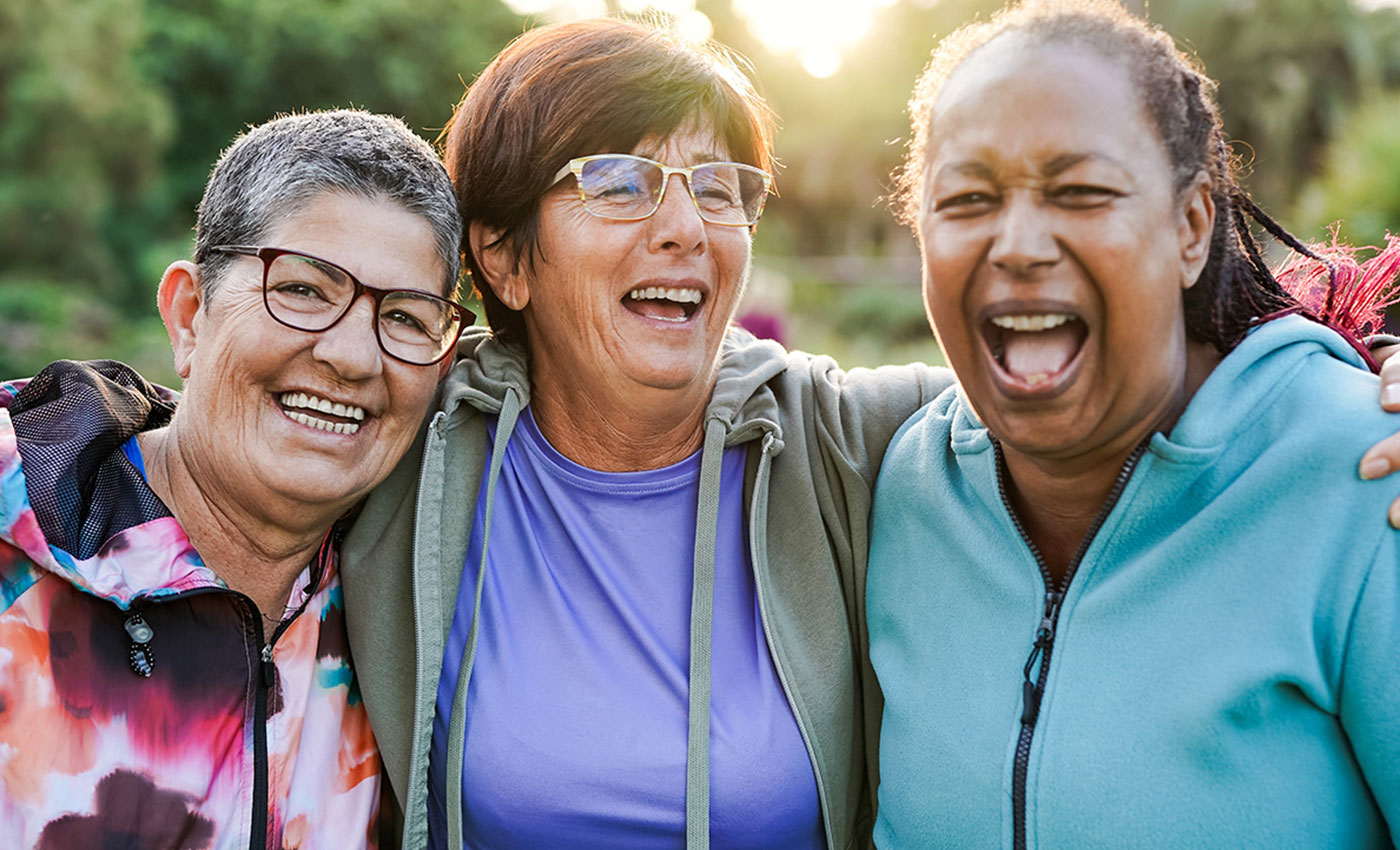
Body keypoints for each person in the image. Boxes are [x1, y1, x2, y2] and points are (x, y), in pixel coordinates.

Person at [339, 17, 1400, 850]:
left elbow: (1117, 370)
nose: (682, 223)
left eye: (719, 186)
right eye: (614, 180)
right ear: (503, 260)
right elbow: (248, 436)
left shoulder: (857, 443)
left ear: (1188, 225)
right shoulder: (400, 448)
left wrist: (1360, 357)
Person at [866, 1, 1400, 847]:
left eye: (1080, 191)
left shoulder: (1365, 480)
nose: (1018, 244)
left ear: (1191, 228)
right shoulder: (903, 481)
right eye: (966, 198)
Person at [0, 109, 472, 850]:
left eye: (408, 318)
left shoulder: (412, 602)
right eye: (305, 290)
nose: (353, 357)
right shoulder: (17, 557)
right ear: (189, 316)